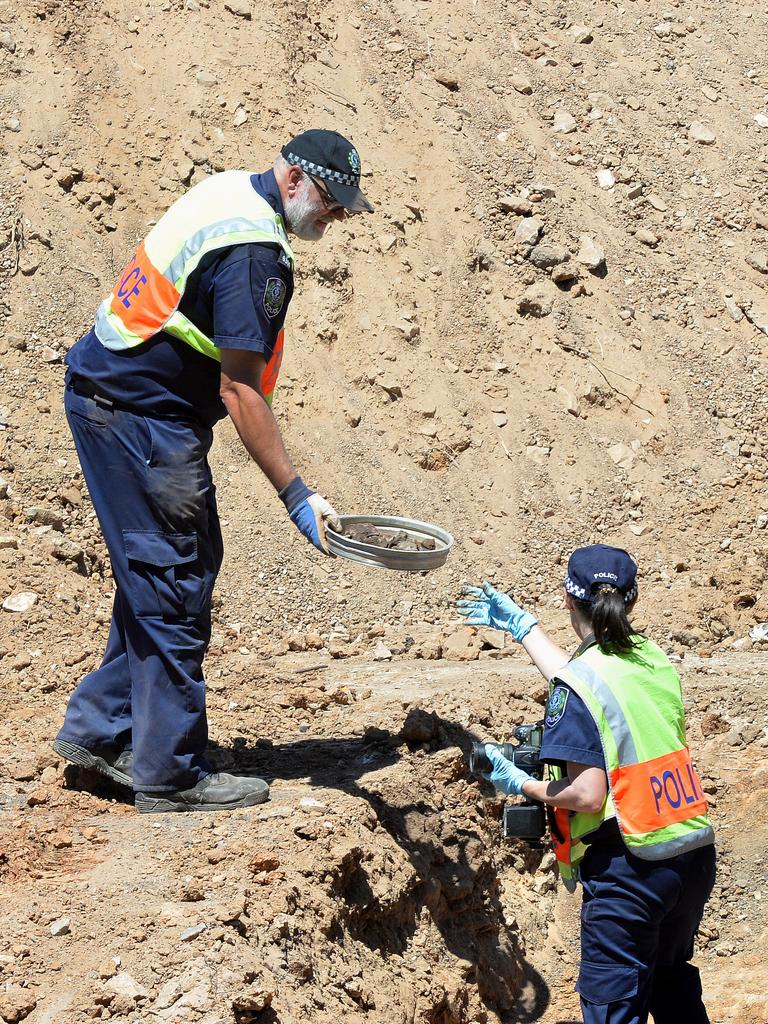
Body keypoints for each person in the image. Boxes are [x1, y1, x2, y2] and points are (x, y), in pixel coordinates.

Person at [53, 129, 374, 814]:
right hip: (140, 418)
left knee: (166, 568)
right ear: (292, 179)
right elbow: (240, 390)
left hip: (114, 398)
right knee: (174, 576)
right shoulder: (254, 252)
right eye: (329, 199)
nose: (335, 216)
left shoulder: (233, 190)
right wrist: (297, 495)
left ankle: (103, 730)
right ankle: (169, 774)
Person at [458, 544, 716, 1024]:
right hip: (691, 853)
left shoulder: (578, 685)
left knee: (612, 1007)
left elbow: (588, 794)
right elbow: (586, 679)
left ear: (568, 599)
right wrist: (525, 629)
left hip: (631, 869)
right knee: (671, 984)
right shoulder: (653, 660)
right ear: (632, 600)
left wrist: (522, 784)